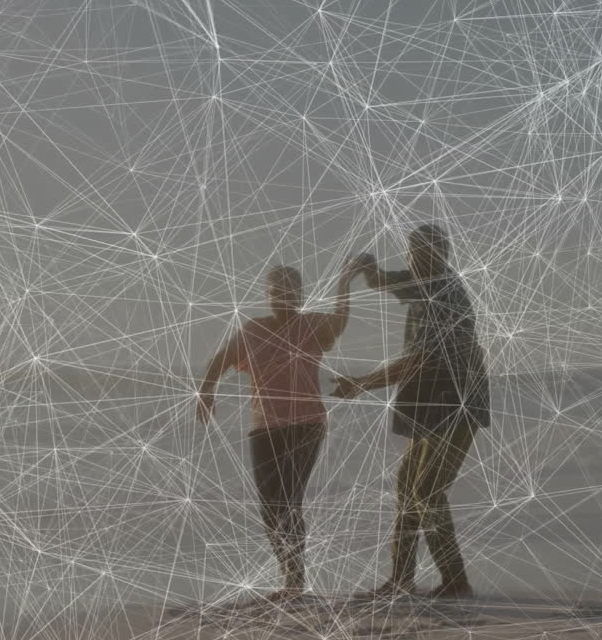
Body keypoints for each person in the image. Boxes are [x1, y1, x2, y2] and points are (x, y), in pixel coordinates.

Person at [333, 224, 489, 599]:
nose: (413, 260)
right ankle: (401, 578)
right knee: (407, 488)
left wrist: (362, 383)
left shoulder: (442, 293)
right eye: (412, 253)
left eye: (422, 254)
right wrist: (368, 271)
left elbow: (419, 361)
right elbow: (390, 283)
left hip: (455, 402)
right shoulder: (426, 282)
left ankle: (455, 581)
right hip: (429, 399)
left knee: (427, 491)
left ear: (441, 256)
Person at [197, 260, 363, 601]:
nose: (282, 297)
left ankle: (294, 582)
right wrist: (206, 391)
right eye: (275, 292)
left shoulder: (312, 325)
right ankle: (289, 575)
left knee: (288, 499)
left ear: (300, 294)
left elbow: (340, 322)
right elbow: (221, 359)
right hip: (264, 428)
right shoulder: (253, 330)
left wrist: (344, 282)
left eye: (289, 291)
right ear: (267, 295)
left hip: (306, 425)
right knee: (269, 505)